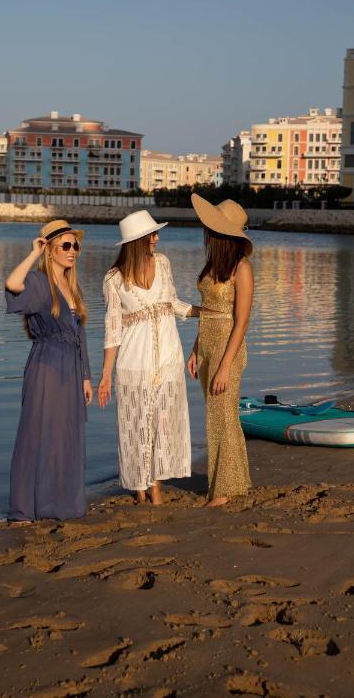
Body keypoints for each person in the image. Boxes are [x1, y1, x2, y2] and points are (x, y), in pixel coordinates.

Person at [98, 209, 199, 505]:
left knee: (163, 422)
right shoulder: (113, 279)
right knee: (136, 425)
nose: (157, 239)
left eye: (156, 234)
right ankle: (139, 485)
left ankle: (154, 484)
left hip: (169, 357)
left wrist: (203, 312)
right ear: (137, 240)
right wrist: (106, 374)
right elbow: (112, 329)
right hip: (133, 363)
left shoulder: (164, 263)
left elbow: (173, 303)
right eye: (152, 234)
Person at [5, 219, 92, 523]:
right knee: (37, 433)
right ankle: (27, 508)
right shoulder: (40, 282)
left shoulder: (72, 286)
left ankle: (59, 504)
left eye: (75, 245)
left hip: (70, 368)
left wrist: (85, 377)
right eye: (66, 246)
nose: (73, 251)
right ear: (50, 250)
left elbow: (80, 336)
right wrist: (32, 253)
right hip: (46, 365)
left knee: (64, 434)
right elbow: (13, 285)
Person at [186, 196, 253, 508]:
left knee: (222, 416)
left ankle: (224, 490)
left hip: (229, 345)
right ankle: (232, 482)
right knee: (216, 415)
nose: (206, 232)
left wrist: (225, 365)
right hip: (207, 343)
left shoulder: (242, 269)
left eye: (211, 228)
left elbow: (241, 322)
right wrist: (195, 349)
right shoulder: (213, 264)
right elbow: (208, 312)